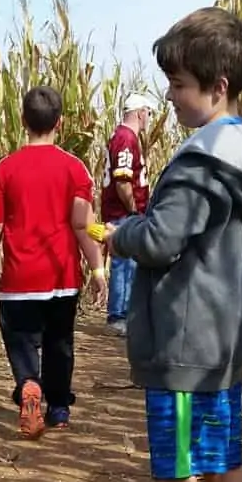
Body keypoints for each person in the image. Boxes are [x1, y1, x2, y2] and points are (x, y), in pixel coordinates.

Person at [92, 7, 242, 482]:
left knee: (175, 466)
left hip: (185, 340)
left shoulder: (201, 163)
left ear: (217, 86)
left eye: (178, 85)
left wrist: (117, 233)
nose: (170, 98)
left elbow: (163, 238)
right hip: (223, 339)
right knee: (224, 458)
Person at [0, 86, 106, 438]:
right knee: (59, 342)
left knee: (21, 340)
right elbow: (84, 226)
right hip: (62, 278)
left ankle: (28, 385)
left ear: (23, 121)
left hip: (20, 279)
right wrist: (97, 269)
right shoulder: (74, 169)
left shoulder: (6, 169)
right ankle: (60, 407)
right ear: (60, 123)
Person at [101, 91, 154, 336]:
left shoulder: (123, 136)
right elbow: (123, 181)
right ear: (140, 112)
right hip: (122, 213)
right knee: (124, 263)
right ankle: (118, 315)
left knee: (127, 263)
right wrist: (134, 210)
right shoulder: (126, 138)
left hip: (123, 212)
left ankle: (123, 313)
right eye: (149, 113)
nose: (149, 119)